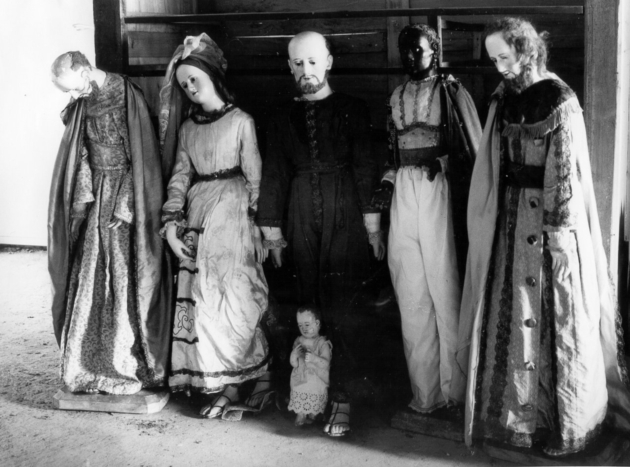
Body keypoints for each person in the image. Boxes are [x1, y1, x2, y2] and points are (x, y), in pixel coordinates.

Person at [455, 17, 630, 456]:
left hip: (551, 229)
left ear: (527, 50)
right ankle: (513, 421)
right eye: (494, 59)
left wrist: (557, 238)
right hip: (511, 221)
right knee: (510, 312)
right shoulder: (504, 97)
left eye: (505, 57)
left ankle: (563, 425)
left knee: (555, 320)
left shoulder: (558, 99)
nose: (499, 67)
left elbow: (565, 174)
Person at [257, 31, 385, 436]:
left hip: (345, 212)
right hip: (299, 216)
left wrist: (373, 227)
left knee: (345, 302)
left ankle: (343, 396)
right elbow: (274, 174)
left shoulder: (352, 109)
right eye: (298, 63)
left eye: (313, 61)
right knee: (305, 303)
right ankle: (307, 397)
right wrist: (273, 235)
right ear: (289, 66)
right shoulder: (281, 116)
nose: (305, 70)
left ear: (328, 62)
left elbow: (365, 167)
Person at [159, 33, 272, 419]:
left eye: (195, 79)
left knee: (234, 296)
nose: (190, 88)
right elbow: (180, 176)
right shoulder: (188, 128)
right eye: (184, 84)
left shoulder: (241, 121)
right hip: (198, 214)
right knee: (202, 298)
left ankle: (241, 380)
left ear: (211, 75)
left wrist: (257, 225)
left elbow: (255, 176)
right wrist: (171, 224)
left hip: (233, 213)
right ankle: (217, 379)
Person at [48, 52, 173, 394]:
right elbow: (81, 152)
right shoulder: (83, 100)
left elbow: (141, 156)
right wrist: (82, 199)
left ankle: (128, 363)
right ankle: (87, 363)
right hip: (96, 195)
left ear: (86, 71)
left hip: (125, 195)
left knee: (124, 273)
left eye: (73, 87)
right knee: (90, 272)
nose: (73, 96)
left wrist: (125, 204)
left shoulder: (125, 94)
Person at [371, 24, 481, 415]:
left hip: (440, 191)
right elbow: (390, 152)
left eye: (418, 50)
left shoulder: (451, 91)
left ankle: (456, 393)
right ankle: (426, 394)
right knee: (411, 290)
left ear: (434, 50)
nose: (411, 57)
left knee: (445, 287)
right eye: (405, 51)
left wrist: (445, 163)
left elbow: (474, 149)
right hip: (405, 190)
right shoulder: (396, 96)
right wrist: (386, 185)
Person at [288, 306, 332, 427]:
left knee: (316, 392)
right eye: (300, 325)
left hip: (316, 378)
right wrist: (293, 355)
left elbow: (326, 363)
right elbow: (294, 364)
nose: (303, 328)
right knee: (299, 390)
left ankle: (314, 414)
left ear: (317, 323)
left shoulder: (322, 343)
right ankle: (301, 414)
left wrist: (314, 359)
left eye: (307, 324)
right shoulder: (298, 341)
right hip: (300, 377)